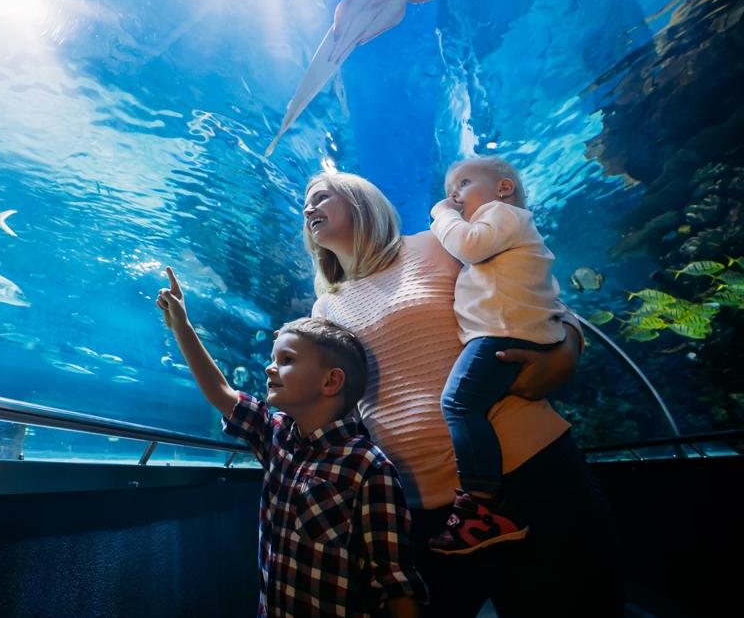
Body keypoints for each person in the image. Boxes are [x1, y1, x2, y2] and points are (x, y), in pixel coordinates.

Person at [301, 170, 621, 617]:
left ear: (361, 200)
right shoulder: (324, 307)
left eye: (320, 196)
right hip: (421, 504)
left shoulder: (435, 244)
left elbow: (537, 295)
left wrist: (567, 350)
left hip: (526, 471)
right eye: (306, 203)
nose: (308, 208)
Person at [156, 267, 427, 617]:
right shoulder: (276, 435)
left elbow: (396, 584)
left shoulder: (368, 467)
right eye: (272, 359)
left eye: (286, 360)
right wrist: (182, 326)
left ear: (331, 381)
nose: (270, 368)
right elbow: (221, 392)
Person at [425, 157, 565, 554]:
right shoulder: (506, 226)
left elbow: (470, 246)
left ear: (503, 188)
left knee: (458, 402)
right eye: (451, 190)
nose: (454, 196)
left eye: (464, 184)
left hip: (503, 330)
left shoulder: (502, 213)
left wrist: (440, 213)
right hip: (509, 328)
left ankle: (482, 508)